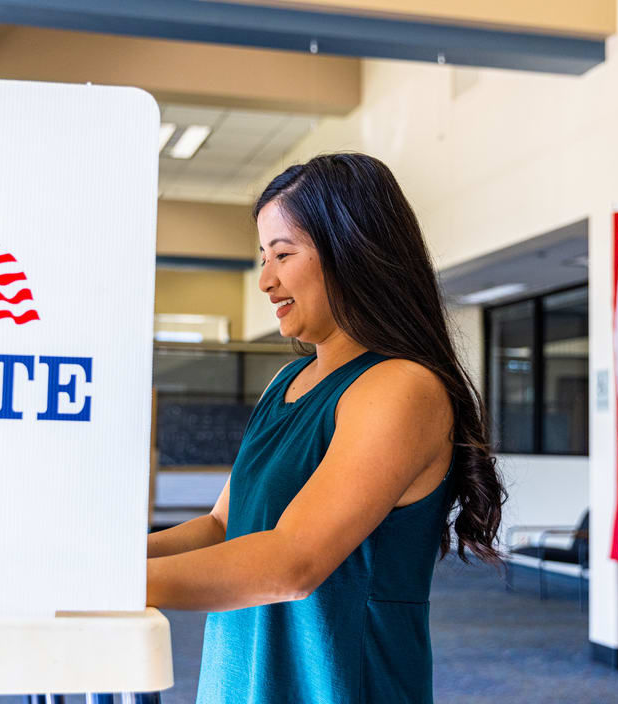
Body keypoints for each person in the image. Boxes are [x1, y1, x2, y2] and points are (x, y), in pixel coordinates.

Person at [146, 153, 506, 703]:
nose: (266, 280)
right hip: (241, 681)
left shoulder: (400, 388)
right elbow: (223, 526)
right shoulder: (284, 384)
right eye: (263, 256)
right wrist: (112, 558)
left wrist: (107, 587)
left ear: (352, 252)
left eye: (284, 255)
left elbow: (294, 561)